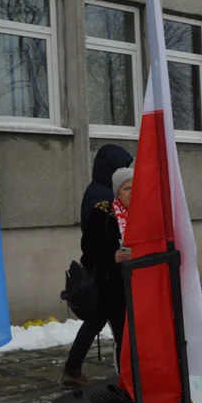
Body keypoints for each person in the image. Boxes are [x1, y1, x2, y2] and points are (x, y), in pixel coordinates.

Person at [62, 146, 132, 387]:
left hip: (109, 275)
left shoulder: (103, 190)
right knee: (120, 326)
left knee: (99, 322)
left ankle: (73, 369)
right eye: (121, 166)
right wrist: (111, 254)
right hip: (106, 276)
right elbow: (93, 239)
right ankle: (127, 377)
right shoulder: (101, 197)